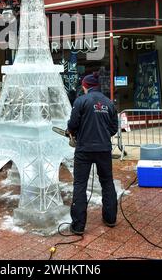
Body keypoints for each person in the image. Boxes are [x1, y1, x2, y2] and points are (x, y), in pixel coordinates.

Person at [66, 71, 118, 235]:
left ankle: (78, 226)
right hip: (104, 149)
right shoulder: (109, 103)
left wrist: (73, 131)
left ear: (85, 86)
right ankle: (110, 219)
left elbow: (73, 124)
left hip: (84, 149)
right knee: (107, 182)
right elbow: (113, 128)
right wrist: (101, 136)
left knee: (80, 185)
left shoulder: (80, 101)